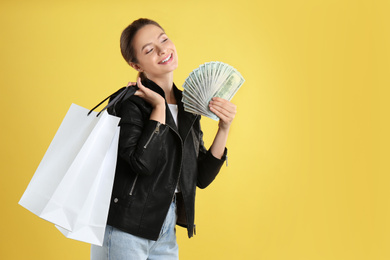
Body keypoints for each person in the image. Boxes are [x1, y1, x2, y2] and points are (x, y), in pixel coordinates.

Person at [91, 18, 237, 260]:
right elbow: (141, 164)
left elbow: (199, 177)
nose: (162, 50)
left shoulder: (189, 105)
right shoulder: (131, 102)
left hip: (165, 227)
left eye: (164, 40)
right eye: (149, 50)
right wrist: (158, 108)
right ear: (134, 63)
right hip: (125, 227)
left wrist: (224, 127)